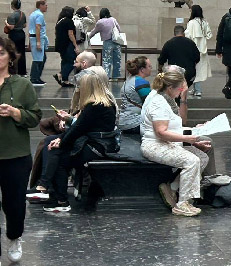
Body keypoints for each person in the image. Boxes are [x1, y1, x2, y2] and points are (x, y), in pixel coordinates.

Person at [40, 66, 118, 213]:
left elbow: (78, 128)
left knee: (61, 160)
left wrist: (61, 141)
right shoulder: (102, 102)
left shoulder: (94, 105)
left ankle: (58, 198)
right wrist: (61, 140)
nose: (78, 88)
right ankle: (47, 189)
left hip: (97, 146)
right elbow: (80, 127)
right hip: (98, 143)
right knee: (53, 144)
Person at [140, 70, 213, 217]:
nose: (181, 92)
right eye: (180, 89)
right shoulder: (158, 103)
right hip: (154, 145)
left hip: (166, 142)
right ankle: (182, 204)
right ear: (170, 87)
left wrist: (194, 131)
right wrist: (187, 139)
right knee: (191, 161)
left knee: (202, 158)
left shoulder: (167, 99)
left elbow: (174, 128)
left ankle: (172, 188)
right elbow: (161, 132)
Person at [0, 36, 42, 262]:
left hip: (15, 155)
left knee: (14, 203)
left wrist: (16, 113)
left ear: (10, 56)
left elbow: (35, 117)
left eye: (1, 53)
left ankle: (14, 237)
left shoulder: (22, 84)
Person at [119, 56, 153, 135]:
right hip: (135, 123)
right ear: (142, 69)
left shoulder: (129, 80)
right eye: (149, 66)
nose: (151, 68)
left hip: (124, 121)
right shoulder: (141, 82)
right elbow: (150, 104)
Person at [184, 5, 212, 98]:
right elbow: (209, 35)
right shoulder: (205, 22)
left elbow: (188, 36)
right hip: (203, 50)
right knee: (199, 70)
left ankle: (198, 90)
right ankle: (196, 88)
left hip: (193, 49)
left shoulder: (191, 22)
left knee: (194, 69)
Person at [88, 8, 122, 80]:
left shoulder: (100, 22)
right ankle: (115, 77)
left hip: (107, 42)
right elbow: (119, 29)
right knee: (117, 60)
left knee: (107, 60)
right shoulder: (113, 19)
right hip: (117, 42)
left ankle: (106, 76)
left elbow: (94, 32)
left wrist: (87, 38)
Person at [53, 6, 79, 87]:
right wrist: (76, 45)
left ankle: (65, 80)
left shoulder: (59, 21)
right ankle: (60, 74)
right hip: (67, 44)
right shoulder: (69, 21)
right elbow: (70, 34)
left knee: (64, 61)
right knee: (72, 61)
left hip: (60, 44)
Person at [29, 0, 48, 86]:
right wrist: (39, 42)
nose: (46, 7)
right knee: (38, 59)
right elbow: (38, 27)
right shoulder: (39, 15)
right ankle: (34, 78)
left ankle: (36, 77)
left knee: (41, 58)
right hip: (38, 38)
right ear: (41, 6)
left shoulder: (33, 14)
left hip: (34, 38)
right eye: (45, 5)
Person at [5, 0, 27, 77]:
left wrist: (6, 23)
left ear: (12, 6)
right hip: (21, 34)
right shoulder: (23, 14)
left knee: (13, 52)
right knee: (22, 53)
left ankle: (13, 70)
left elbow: (11, 27)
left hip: (14, 35)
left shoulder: (12, 16)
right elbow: (24, 25)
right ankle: (22, 71)